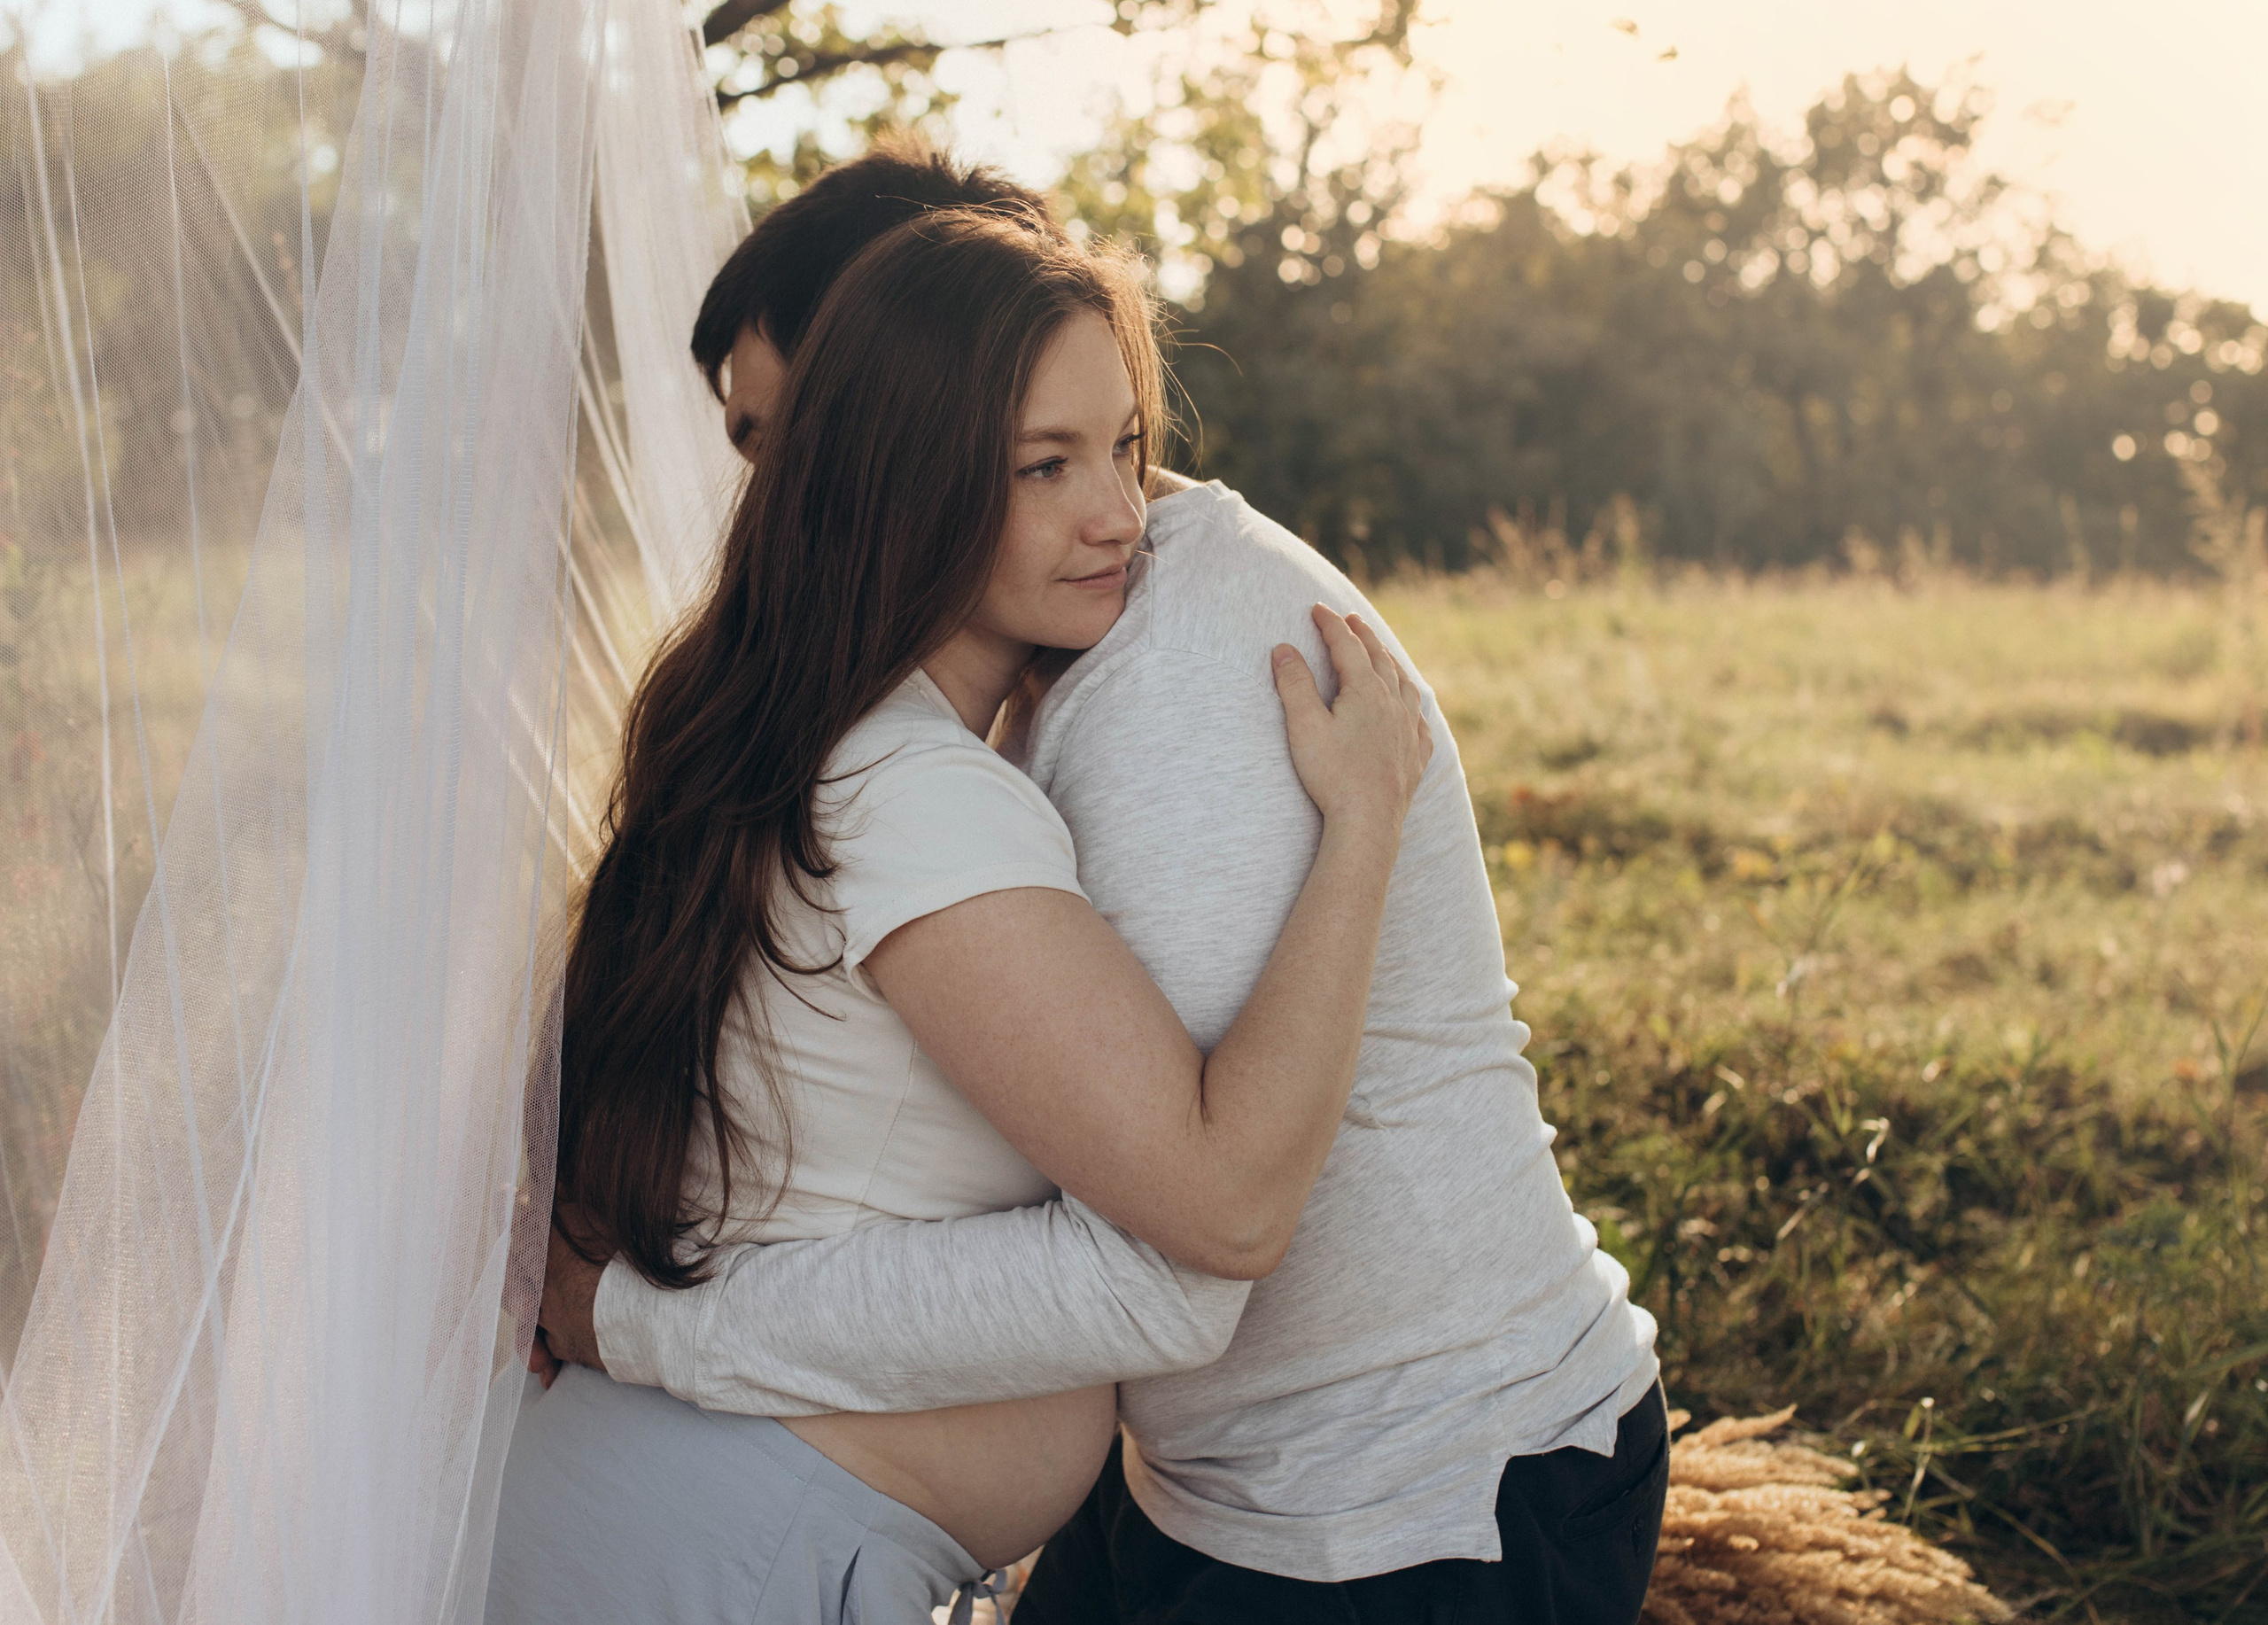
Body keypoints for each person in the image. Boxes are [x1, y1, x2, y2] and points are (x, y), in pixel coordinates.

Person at [533, 144, 1670, 1623]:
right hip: (1215, 1473)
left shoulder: (1168, 674)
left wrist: (640, 1320)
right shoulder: (953, 695)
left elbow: (1208, 1224)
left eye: (1114, 448)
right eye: (1048, 461)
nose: (770, 491)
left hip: (1416, 1483)